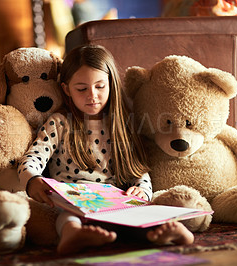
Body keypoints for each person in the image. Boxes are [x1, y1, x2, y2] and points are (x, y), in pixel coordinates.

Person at [17, 45, 194, 255]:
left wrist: (142, 190)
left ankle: (161, 231)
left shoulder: (121, 125)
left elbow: (138, 168)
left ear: (111, 84)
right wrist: (31, 179)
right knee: (66, 217)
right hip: (74, 204)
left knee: (138, 215)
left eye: (100, 86)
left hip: (115, 205)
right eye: (81, 89)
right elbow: (32, 158)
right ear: (66, 90)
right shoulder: (60, 123)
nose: (92, 95)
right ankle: (73, 234)